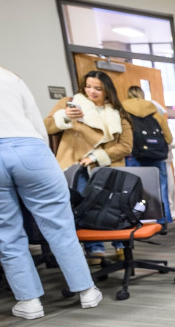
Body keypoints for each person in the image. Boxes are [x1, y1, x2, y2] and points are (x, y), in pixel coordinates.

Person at [0, 25, 101, 319]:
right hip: (29, 149)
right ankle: (87, 291)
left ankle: (30, 302)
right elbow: (35, 123)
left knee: (6, 234)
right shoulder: (6, 74)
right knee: (60, 227)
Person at [45, 70, 133, 263]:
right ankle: (95, 249)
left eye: (98, 88)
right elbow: (48, 128)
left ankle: (121, 245)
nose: (92, 92)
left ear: (107, 90)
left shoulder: (117, 111)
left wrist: (97, 156)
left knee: (115, 206)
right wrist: (65, 117)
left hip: (108, 166)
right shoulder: (72, 104)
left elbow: (126, 145)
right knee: (86, 207)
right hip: (77, 166)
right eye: (88, 86)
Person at [122, 85, 173, 228]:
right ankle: (164, 220)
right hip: (156, 156)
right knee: (161, 189)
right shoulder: (154, 110)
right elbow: (168, 138)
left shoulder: (122, 111)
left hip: (133, 156)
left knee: (132, 189)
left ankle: (133, 222)